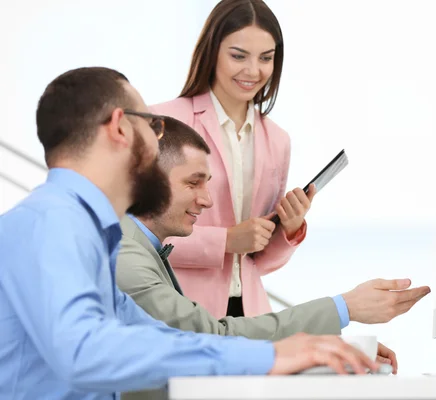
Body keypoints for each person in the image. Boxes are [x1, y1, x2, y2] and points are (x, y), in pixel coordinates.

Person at [0, 67, 380, 400]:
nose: (157, 140)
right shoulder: (53, 222)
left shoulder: (86, 232)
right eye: (154, 126)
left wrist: (300, 348)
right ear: (119, 128)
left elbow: (165, 337)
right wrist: (271, 355)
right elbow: (84, 352)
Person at [116, 117, 431, 399]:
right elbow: (211, 338)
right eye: (193, 182)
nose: (207, 199)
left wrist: (333, 348)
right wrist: (343, 309)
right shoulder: (128, 257)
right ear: (149, 181)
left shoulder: (144, 246)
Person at [150, 0, 311, 318]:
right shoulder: (164, 123)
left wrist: (287, 231)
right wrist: (226, 240)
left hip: (248, 314)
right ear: (212, 52)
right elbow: (138, 237)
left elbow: (258, 261)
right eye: (238, 56)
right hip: (178, 309)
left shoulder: (277, 140)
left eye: (266, 58)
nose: (253, 71)